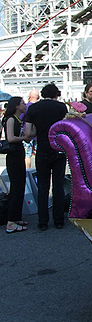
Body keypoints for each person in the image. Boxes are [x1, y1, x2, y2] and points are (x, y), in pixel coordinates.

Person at [24, 83, 68, 231]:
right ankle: (59, 220)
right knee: (58, 185)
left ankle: (42, 221)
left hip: (42, 149)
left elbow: (28, 133)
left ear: (42, 94)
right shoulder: (61, 107)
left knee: (43, 187)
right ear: (56, 94)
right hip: (59, 149)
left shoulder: (33, 108)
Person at [2, 96, 29, 233]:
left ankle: (16, 217)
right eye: (23, 103)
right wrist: (24, 137)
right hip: (13, 156)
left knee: (20, 187)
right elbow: (11, 138)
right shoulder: (11, 119)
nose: (25, 105)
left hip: (18, 154)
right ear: (17, 106)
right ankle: (11, 222)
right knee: (16, 188)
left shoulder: (17, 120)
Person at [23, 88, 40, 168]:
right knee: (39, 154)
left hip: (27, 134)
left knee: (27, 155)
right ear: (38, 97)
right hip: (38, 134)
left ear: (29, 96)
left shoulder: (26, 107)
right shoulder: (39, 107)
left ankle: (28, 172)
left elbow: (20, 118)